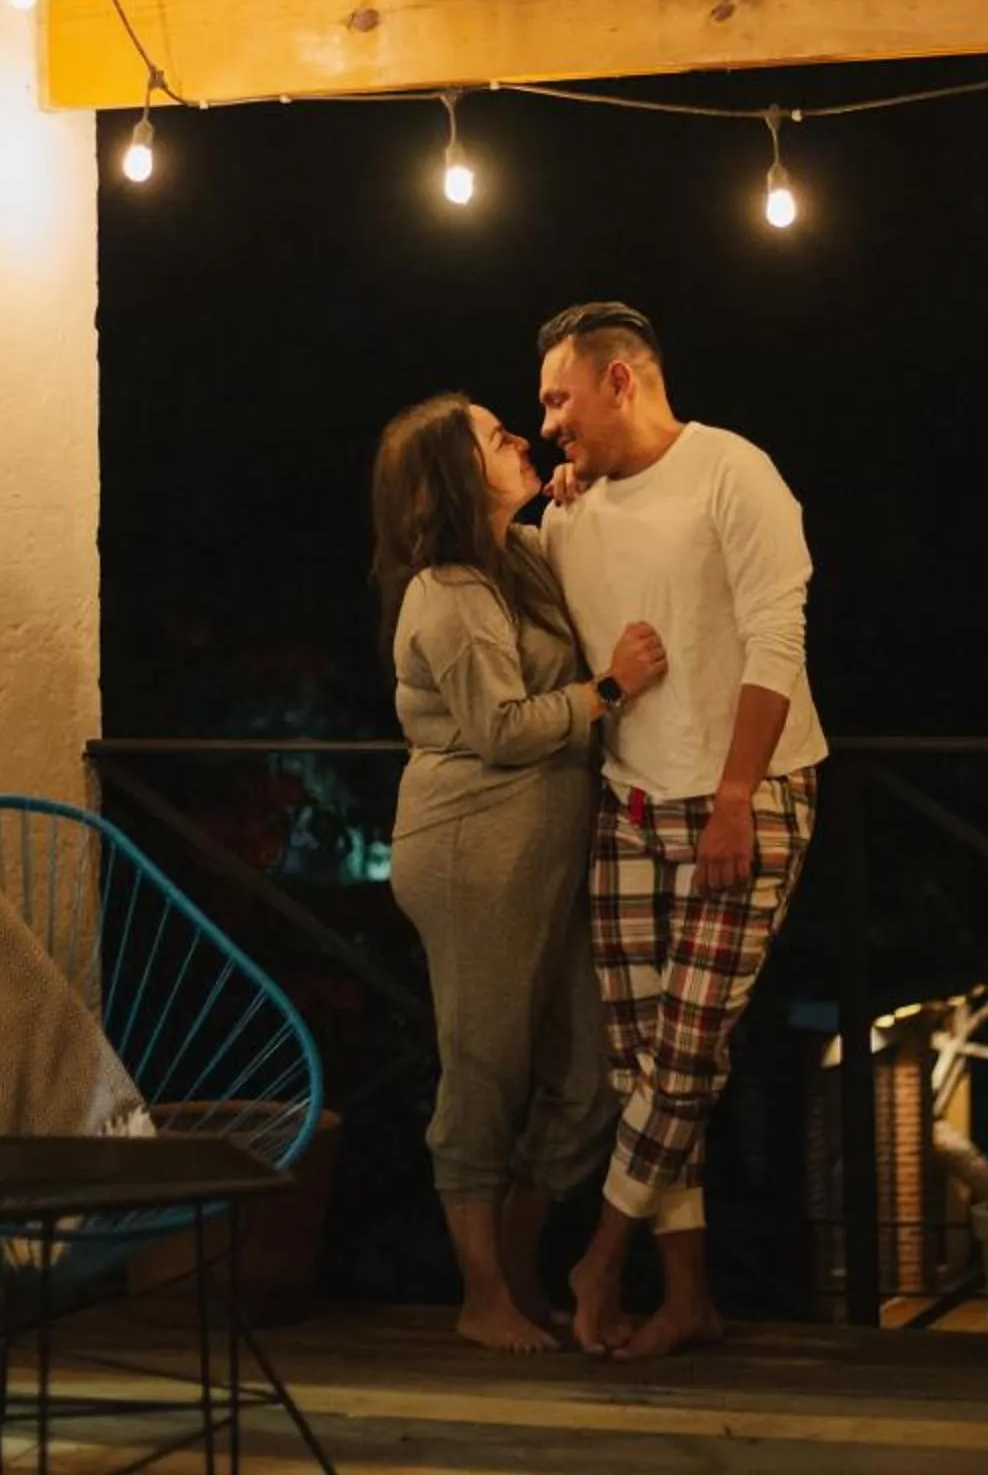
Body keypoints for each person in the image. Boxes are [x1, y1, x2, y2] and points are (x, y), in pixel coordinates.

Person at [533, 301, 827, 1360]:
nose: (551, 423)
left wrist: (741, 792)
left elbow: (776, 636)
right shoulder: (569, 510)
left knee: (689, 1050)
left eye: (560, 398)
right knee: (643, 1064)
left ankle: (601, 1259)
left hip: (744, 798)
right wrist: (548, 490)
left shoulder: (731, 470)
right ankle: (688, 1294)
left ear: (621, 380)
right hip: (627, 802)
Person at [371, 392, 668, 1351]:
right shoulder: (446, 593)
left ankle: (511, 1257)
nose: (520, 439)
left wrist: (575, 499)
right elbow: (500, 731)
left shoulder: (523, 558)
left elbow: (581, 571)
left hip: (546, 850)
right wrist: (612, 686)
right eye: (496, 437)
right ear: (458, 478)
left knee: (588, 1079)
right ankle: (482, 1297)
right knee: (486, 1067)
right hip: (471, 851)